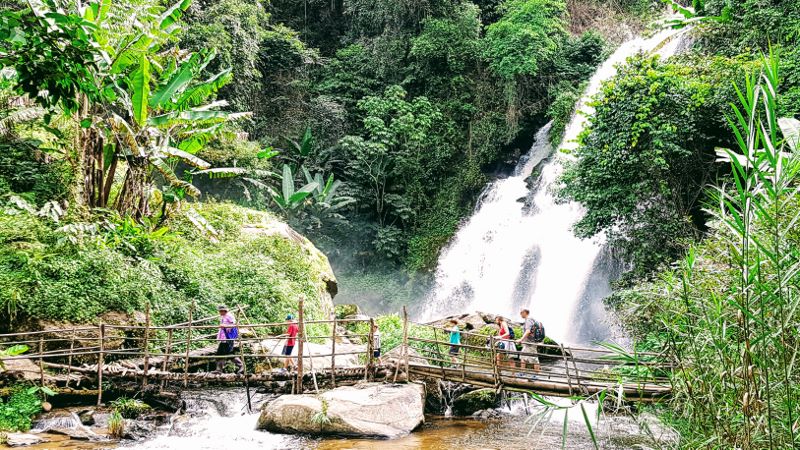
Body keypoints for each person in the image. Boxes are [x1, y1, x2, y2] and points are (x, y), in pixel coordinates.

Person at [214, 305, 243, 374]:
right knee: (221, 353)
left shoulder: (229, 315)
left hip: (228, 338)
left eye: (220, 311)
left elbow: (235, 324)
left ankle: (241, 365)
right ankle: (219, 370)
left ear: (223, 311)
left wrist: (225, 326)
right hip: (224, 339)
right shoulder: (224, 316)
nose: (219, 312)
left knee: (228, 353)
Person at [517, 308, 541, 374]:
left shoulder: (529, 320)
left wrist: (521, 339)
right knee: (523, 357)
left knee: (534, 359)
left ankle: (537, 374)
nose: (520, 314)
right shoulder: (530, 319)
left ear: (525, 312)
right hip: (527, 343)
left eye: (521, 312)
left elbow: (528, 331)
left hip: (531, 343)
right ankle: (522, 372)